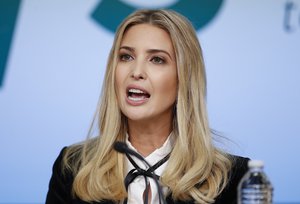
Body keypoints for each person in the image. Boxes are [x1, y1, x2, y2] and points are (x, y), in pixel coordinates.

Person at [46, 9, 249, 204]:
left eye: (157, 60)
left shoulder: (235, 178)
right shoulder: (73, 167)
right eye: (126, 56)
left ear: (184, 78)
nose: (137, 71)